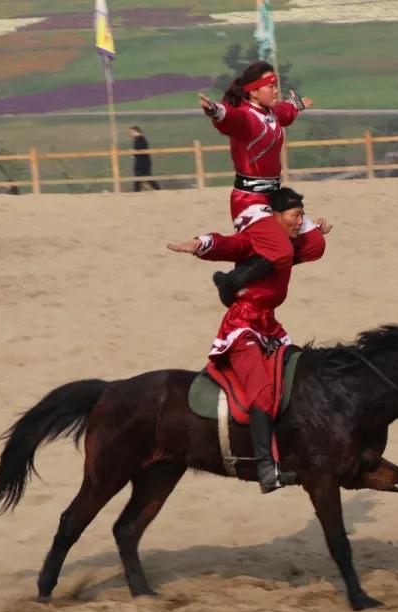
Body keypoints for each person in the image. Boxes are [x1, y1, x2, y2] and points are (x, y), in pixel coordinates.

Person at [166, 187, 329, 494]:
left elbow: (311, 250)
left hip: (270, 327)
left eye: (302, 216)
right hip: (242, 327)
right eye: (295, 216)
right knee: (263, 394)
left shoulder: (286, 250)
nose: (299, 221)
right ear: (275, 218)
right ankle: (267, 470)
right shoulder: (255, 241)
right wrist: (201, 243)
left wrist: (315, 230)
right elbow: (229, 243)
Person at [197, 62, 316, 234]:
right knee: (276, 247)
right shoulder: (246, 116)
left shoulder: (271, 112)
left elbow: (284, 111)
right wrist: (216, 111)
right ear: (254, 92)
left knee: (313, 242)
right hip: (249, 199)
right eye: (271, 86)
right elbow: (231, 117)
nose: (276, 91)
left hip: (274, 196)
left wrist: (296, 105)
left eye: (276, 86)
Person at [130, 126, 160, 192]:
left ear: (136, 131)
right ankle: (158, 189)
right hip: (144, 162)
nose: (131, 134)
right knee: (147, 177)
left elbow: (139, 151)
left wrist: (133, 152)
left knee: (139, 178)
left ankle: (136, 191)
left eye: (132, 132)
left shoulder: (140, 140)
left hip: (141, 162)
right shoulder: (141, 139)